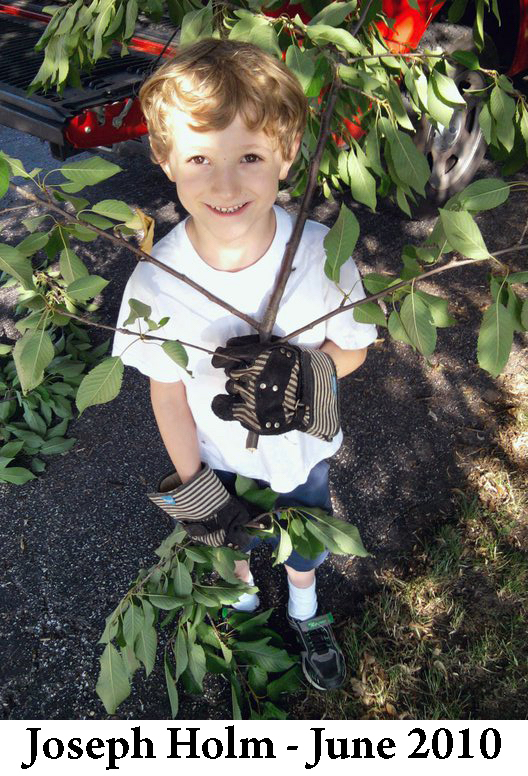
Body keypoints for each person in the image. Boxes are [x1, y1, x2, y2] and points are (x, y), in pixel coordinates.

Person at [112, 38, 377, 692]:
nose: (224, 184)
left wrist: (301, 375)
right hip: (217, 454)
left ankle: (305, 608)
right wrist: (193, 485)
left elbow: (357, 348)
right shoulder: (158, 284)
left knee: (304, 537)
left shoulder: (324, 256)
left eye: (251, 156)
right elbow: (167, 392)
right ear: (164, 158)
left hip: (300, 451)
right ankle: (244, 605)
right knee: (228, 541)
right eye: (199, 158)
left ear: (288, 153)